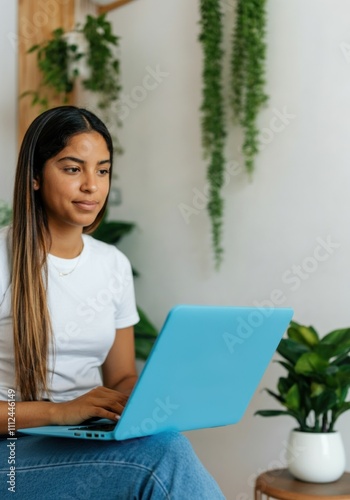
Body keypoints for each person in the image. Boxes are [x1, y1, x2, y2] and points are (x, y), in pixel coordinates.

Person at [0, 106, 225, 499]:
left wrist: (148, 399)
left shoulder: (112, 265)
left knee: (165, 441)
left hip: (84, 443)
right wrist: (58, 411)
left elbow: (121, 377)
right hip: (13, 455)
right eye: (73, 169)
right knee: (164, 457)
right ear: (35, 177)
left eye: (102, 170)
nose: (92, 186)